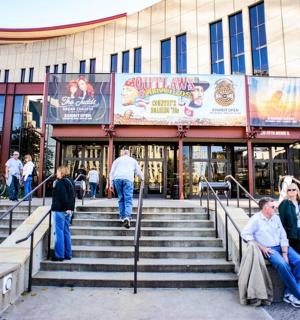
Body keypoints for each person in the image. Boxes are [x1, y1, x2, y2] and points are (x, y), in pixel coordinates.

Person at [241, 197, 300, 308]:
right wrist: (262, 247)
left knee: (299, 261)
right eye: (273, 207)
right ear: (265, 208)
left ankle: (289, 293)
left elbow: (283, 235)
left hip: (282, 247)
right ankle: (298, 294)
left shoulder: (276, 218)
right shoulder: (256, 219)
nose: (275, 209)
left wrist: (285, 253)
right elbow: (245, 234)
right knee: (283, 265)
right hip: (269, 249)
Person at [109, 150, 144, 228]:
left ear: (122, 154)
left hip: (117, 179)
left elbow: (111, 172)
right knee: (128, 199)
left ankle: (122, 217)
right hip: (128, 179)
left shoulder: (117, 160)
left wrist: (111, 184)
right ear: (129, 154)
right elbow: (138, 172)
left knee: (121, 198)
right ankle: (127, 217)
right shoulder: (132, 160)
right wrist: (142, 179)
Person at [51, 166, 75, 261]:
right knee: (66, 232)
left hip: (61, 210)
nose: (56, 174)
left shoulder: (60, 183)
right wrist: (70, 208)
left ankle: (59, 255)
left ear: (61, 172)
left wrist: (67, 207)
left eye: (57, 172)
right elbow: (72, 196)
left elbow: (64, 197)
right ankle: (67, 254)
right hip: (68, 211)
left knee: (59, 233)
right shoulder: (70, 181)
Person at [279, 183, 300, 254]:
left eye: (294, 189)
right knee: (295, 254)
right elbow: (282, 221)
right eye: (289, 190)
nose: (291, 191)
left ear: (297, 191)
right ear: (287, 192)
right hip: (292, 233)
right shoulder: (284, 204)